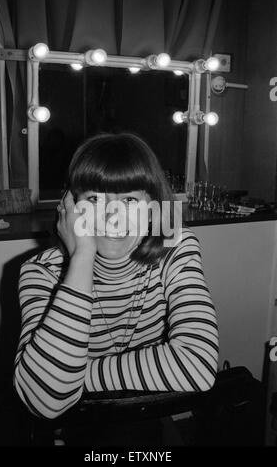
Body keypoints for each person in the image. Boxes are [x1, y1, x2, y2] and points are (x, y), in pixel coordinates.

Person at [14, 132, 218, 445]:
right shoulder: (40, 272)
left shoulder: (176, 247)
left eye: (129, 200)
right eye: (93, 199)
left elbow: (198, 366)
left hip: (148, 424)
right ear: (70, 208)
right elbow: (44, 400)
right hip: (73, 432)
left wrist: (77, 377)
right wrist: (81, 257)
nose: (112, 216)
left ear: (151, 209)